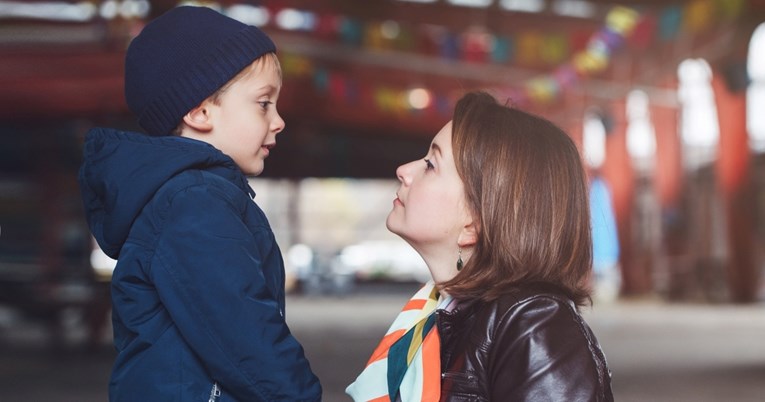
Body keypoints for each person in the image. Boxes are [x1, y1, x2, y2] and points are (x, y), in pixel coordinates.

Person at [78, 6, 321, 401]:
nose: (278, 122)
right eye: (263, 104)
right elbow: (245, 336)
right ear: (200, 110)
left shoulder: (195, 195)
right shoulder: (194, 201)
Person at [347, 91, 614, 401]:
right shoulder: (444, 313)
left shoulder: (533, 326)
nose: (404, 171)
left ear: (473, 222)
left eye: (431, 164)